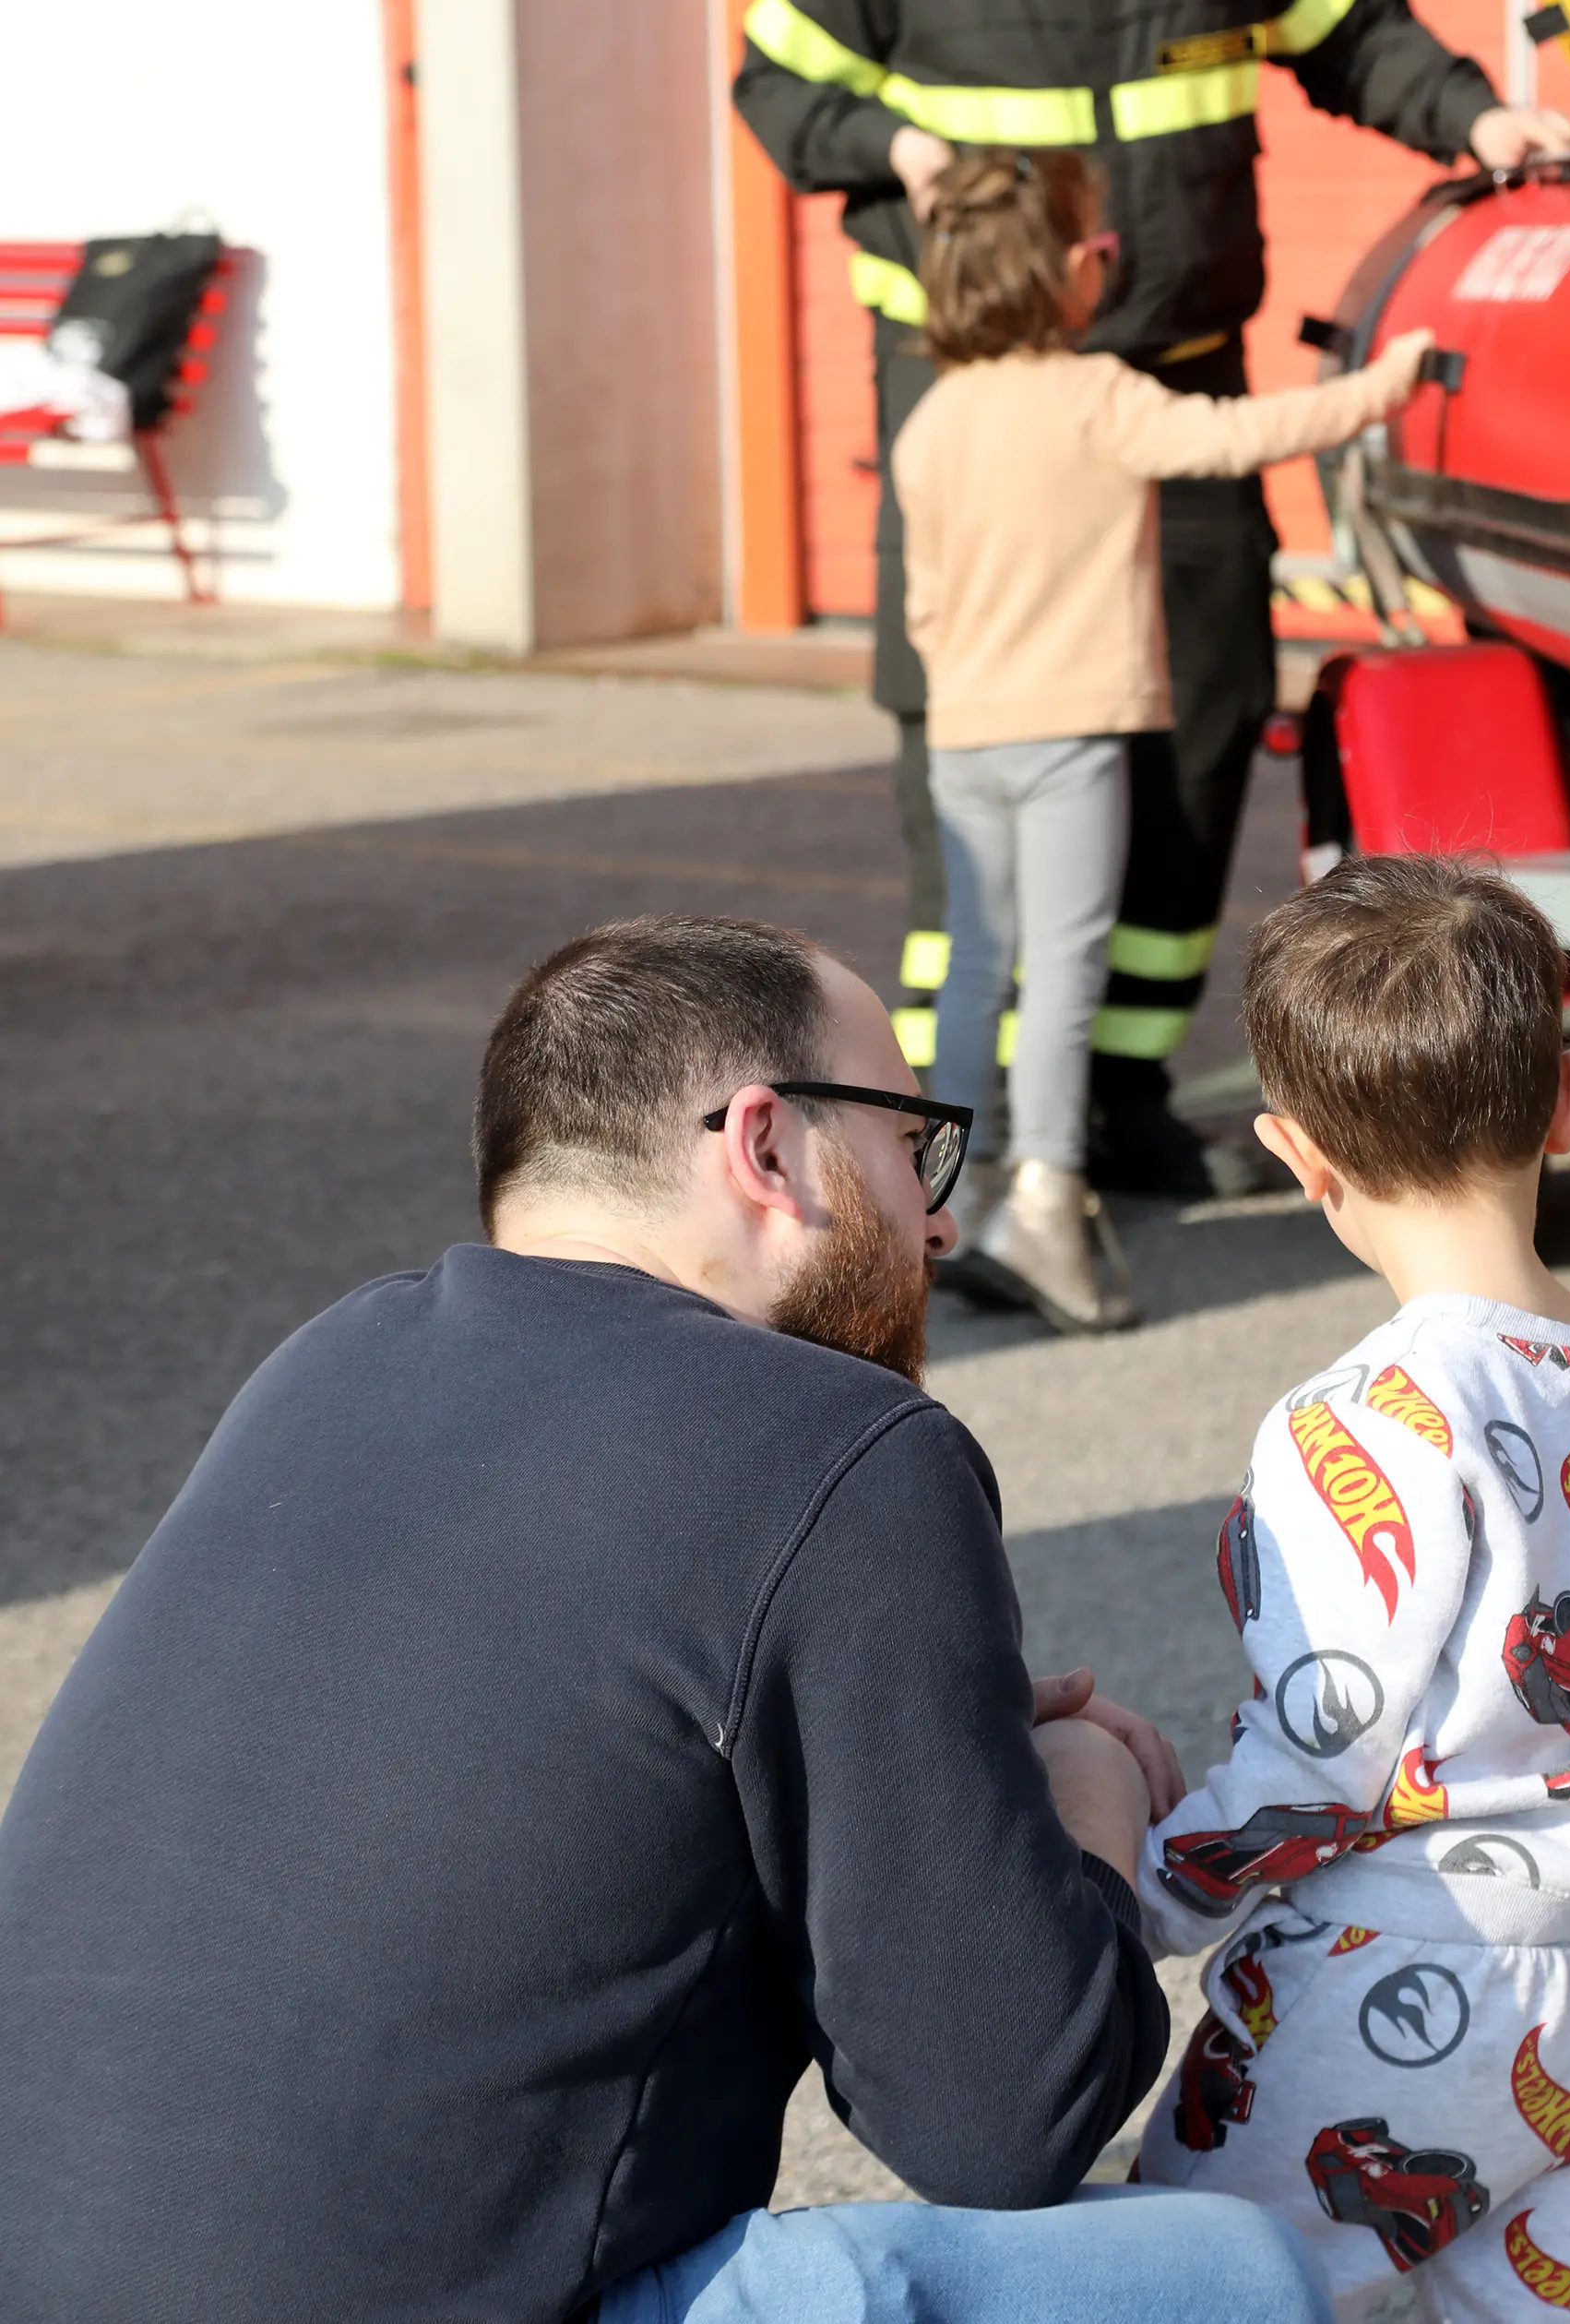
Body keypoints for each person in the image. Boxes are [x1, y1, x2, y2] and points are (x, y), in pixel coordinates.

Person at [0, 914, 1332, 2324]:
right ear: (765, 1144)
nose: (938, 1216)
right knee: (1224, 2274)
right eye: (913, 1144)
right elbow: (1004, 2113)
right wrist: (1078, 1802)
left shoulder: (329, 1355)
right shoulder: (840, 1444)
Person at [734, 0, 1570, 1196]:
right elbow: (773, 84)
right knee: (967, 770)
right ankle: (950, 1141)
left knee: (1197, 737)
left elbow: (1355, 35)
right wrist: (892, 146)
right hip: (973, 397)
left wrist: (1475, 118)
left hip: (1176, 383)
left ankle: (1120, 1100)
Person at [1131, 858, 1570, 2320]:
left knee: (1192, 2287)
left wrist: (1142, 1890)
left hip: (1381, 1976)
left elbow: (1321, 1753)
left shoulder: (1360, 1424)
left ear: (1295, 1151)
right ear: (1567, 1098)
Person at [896, 147, 1430, 1334]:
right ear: (1062, 273)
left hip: (964, 735)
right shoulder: (1097, 396)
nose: (1110, 260)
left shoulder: (930, 421)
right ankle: (1047, 1205)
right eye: (1098, 246)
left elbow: (923, 606)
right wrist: (1381, 389)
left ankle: (945, 1202)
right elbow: (1241, 436)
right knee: (1064, 974)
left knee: (976, 969)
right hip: (1073, 731)